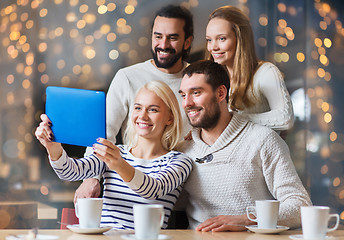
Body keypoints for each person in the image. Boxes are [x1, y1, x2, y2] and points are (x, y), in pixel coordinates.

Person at [35, 81, 193, 229]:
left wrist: (119, 164)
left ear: (170, 118)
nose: (143, 116)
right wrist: (53, 148)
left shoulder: (180, 161)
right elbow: (69, 172)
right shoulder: (117, 152)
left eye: (153, 109)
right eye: (138, 108)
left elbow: (152, 190)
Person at [75, 5, 194, 201]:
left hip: (186, 197)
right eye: (157, 36)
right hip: (133, 196)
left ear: (187, 42)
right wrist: (91, 177)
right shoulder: (127, 77)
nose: (163, 44)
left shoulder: (196, 81)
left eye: (172, 37)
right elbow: (103, 131)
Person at [178, 60, 311, 231]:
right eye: (183, 95)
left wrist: (247, 220)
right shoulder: (183, 150)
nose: (187, 103)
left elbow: (300, 206)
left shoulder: (263, 140)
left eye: (196, 93)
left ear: (220, 93)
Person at [205, 6, 294, 131]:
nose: (213, 47)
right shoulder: (212, 79)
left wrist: (233, 120)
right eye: (209, 40)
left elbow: (286, 119)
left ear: (240, 39)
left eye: (221, 38)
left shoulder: (265, 72)